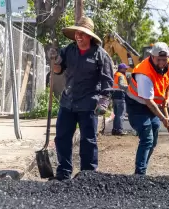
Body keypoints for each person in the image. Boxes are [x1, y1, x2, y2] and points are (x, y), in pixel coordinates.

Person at [47, 17, 114, 180]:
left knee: (88, 139)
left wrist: (104, 101)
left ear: (89, 36)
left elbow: (107, 80)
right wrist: (54, 59)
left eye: (82, 34)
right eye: (77, 33)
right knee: (62, 137)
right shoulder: (68, 50)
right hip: (68, 101)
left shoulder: (100, 55)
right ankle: (64, 172)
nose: (79, 36)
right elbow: (57, 71)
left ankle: (88, 174)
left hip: (88, 103)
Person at [126, 42, 169, 175]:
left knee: (153, 140)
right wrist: (163, 118)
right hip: (137, 106)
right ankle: (140, 174)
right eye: (158, 59)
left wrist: (167, 98)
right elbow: (148, 101)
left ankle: (143, 168)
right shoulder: (144, 73)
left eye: (164, 59)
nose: (162, 62)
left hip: (152, 105)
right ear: (152, 57)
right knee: (147, 139)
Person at [111, 63, 129, 136]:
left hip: (114, 96)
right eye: (125, 68)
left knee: (116, 114)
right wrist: (129, 87)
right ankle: (119, 130)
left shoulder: (115, 74)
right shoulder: (121, 76)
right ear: (121, 69)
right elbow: (121, 85)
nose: (126, 70)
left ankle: (115, 130)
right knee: (121, 114)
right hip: (120, 96)